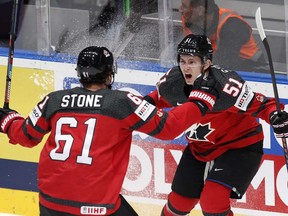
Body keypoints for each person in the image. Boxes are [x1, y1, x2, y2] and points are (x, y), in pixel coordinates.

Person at [0, 46, 218, 216]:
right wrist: (201, 100)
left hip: (50, 203)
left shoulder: (54, 100)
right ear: (109, 74)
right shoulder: (121, 102)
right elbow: (169, 127)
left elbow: (25, 135)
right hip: (96, 207)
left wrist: (7, 120)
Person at [143, 34, 288, 216]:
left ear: (206, 63)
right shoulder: (173, 82)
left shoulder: (226, 86)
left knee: (213, 201)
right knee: (178, 204)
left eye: (192, 62)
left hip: (239, 147)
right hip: (199, 148)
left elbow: (263, 105)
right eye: (183, 61)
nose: (186, 67)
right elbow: (152, 100)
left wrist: (276, 115)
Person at [178, 0, 269, 72]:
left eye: (184, 6)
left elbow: (225, 62)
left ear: (200, 10)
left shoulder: (232, 25)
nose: (180, 9)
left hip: (252, 71)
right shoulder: (188, 20)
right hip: (215, 67)